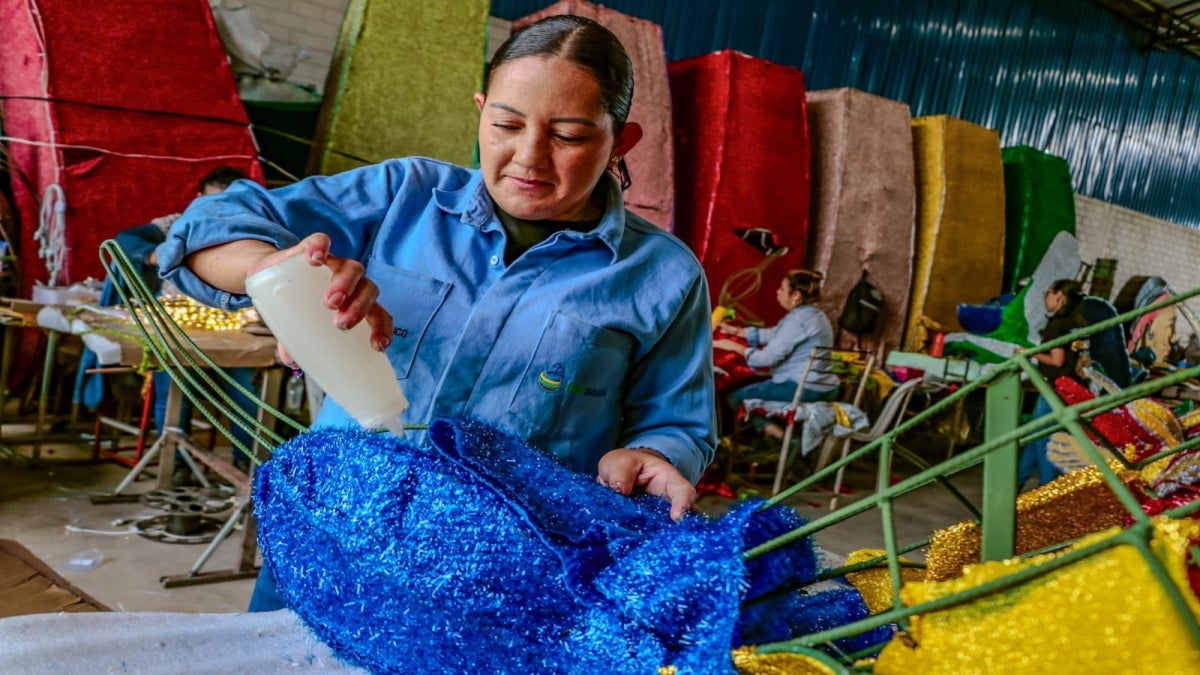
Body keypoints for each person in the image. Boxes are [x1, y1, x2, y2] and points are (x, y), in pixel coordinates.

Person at [157, 16, 715, 610]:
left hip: (506, 579)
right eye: (505, 124)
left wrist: (651, 457)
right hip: (334, 536)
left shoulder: (662, 274)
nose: (529, 156)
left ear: (620, 141)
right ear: (480, 111)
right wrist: (278, 272)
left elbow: (678, 422)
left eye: (570, 136)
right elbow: (207, 228)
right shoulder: (404, 195)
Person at [113, 166, 258, 476]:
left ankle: (247, 464)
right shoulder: (175, 226)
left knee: (246, 391)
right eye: (211, 203)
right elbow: (125, 241)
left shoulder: (251, 230)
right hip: (180, 324)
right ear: (198, 200)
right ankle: (177, 465)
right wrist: (153, 255)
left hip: (231, 326)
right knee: (175, 388)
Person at [713, 270, 839, 439]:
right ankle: (781, 439)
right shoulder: (812, 315)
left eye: (782, 288)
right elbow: (775, 334)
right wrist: (735, 330)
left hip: (804, 389)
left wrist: (734, 347)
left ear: (795, 295)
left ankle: (783, 440)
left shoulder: (799, 320)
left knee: (735, 398)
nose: (777, 292)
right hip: (824, 386)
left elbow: (766, 358)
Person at [1017, 278, 1087, 488]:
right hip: (1071, 388)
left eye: (1048, 293)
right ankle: (1016, 481)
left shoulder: (1057, 324)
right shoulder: (1078, 322)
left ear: (1060, 296)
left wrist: (1028, 353)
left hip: (1053, 388)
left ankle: (1048, 488)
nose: (1045, 299)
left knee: (1045, 440)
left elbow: (1057, 360)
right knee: (1035, 436)